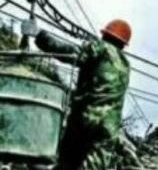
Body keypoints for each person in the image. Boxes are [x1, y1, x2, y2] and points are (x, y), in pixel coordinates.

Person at [35, 19, 132, 170]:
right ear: (123, 45)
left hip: (87, 118)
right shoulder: (126, 65)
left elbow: (71, 53)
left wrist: (41, 37)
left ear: (105, 35)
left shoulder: (101, 48)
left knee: (67, 163)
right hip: (110, 127)